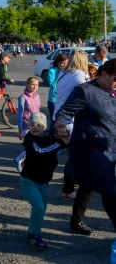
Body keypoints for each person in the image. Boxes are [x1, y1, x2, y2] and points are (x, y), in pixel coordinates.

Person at [55, 58, 116, 240]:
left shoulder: (113, 91)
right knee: (110, 190)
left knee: (88, 185)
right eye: (114, 78)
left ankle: (76, 220)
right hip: (92, 150)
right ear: (103, 73)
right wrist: (64, 130)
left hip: (111, 148)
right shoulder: (84, 91)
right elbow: (64, 113)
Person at [20, 112, 68, 250]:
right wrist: (60, 143)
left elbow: (64, 142)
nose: (35, 127)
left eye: (39, 125)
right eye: (32, 124)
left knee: (42, 209)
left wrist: (64, 135)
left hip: (44, 182)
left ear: (45, 127)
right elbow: (41, 151)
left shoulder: (50, 137)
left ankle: (35, 230)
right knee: (39, 207)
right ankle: (33, 235)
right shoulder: (29, 140)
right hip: (29, 180)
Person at [54, 50, 89, 201]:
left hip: (60, 116)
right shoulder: (81, 75)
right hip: (71, 119)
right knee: (77, 155)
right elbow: (87, 96)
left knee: (73, 154)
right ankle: (69, 188)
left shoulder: (63, 73)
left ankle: (69, 188)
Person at [13, 77, 41, 172]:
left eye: (36, 85)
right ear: (27, 85)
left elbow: (38, 111)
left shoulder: (37, 96)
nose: (34, 87)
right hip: (26, 125)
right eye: (32, 84)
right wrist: (20, 130)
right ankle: (19, 160)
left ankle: (25, 164)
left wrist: (42, 124)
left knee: (35, 146)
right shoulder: (23, 98)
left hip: (37, 125)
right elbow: (20, 115)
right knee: (31, 146)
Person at [47, 54, 68, 123]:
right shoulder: (52, 70)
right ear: (58, 62)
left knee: (61, 120)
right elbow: (52, 83)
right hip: (54, 99)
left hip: (64, 99)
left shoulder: (67, 71)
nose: (65, 65)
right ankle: (52, 133)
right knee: (54, 120)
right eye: (63, 63)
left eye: (66, 63)